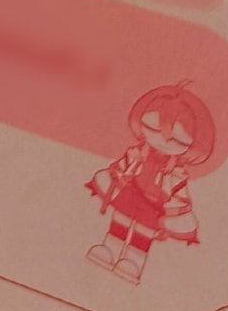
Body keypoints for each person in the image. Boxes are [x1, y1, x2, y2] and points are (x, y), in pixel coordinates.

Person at [86, 83, 216, 283]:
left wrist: (174, 208)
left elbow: (177, 193)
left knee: (143, 233)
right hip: (131, 193)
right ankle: (109, 250)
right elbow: (123, 168)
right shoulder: (140, 153)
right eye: (154, 130)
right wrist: (122, 171)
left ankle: (134, 262)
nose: (161, 140)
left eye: (173, 139)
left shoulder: (175, 171)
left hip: (153, 206)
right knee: (119, 222)